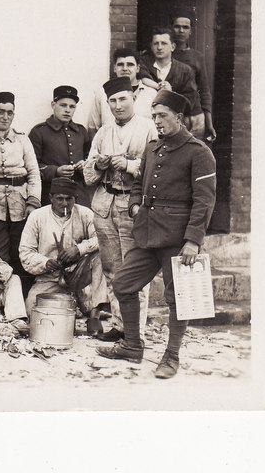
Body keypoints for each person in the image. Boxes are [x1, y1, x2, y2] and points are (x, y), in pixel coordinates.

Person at [97, 90, 216, 379]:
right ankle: (133, 345)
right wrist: (135, 204)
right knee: (124, 283)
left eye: (163, 116)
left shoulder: (198, 152)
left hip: (177, 238)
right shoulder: (152, 148)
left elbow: (205, 200)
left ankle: (171, 356)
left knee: (179, 299)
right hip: (148, 233)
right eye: (154, 116)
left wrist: (193, 240)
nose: (158, 122)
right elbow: (141, 181)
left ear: (179, 117)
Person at [84, 77, 159, 342]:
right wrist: (100, 165)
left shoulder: (149, 128)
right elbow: (88, 175)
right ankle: (119, 325)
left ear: (134, 99)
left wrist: (127, 164)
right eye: (112, 101)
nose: (118, 106)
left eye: (123, 99)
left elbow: (157, 170)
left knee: (134, 270)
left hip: (133, 206)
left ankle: (134, 332)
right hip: (104, 206)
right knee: (112, 270)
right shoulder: (103, 132)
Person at [19, 177, 108, 337]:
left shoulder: (85, 214)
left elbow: (102, 239)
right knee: (33, 311)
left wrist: (78, 249)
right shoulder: (37, 217)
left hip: (79, 276)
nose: (64, 204)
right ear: (50, 198)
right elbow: (25, 253)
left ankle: (94, 315)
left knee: (102, 255)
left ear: (76, 199)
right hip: (49, 278)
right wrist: (46, 263)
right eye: (59, 199)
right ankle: (76, 307)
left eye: (69, 199)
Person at [0, 91, 41, 297]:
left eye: (10, 113)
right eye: (0, 112)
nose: (5, 117)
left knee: (22, 250)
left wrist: (33, 202)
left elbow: (34, 173)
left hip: (20, 204)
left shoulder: (22, 140)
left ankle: (23, 298)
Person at [28, 85, 92, 207]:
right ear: (53, 105)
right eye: (63, 105)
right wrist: (56, 171)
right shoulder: (39, 132)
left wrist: (85, 164)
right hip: (52, 195)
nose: (68, 110)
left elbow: (90, 157)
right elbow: (32, 167)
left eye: (72, 107)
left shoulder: (81, 131)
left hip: (79, 195)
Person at [137, 28, 202, 135]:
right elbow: (142, 77)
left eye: (164, 43)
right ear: (151, 46)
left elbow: (190, 100)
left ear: (173, 46)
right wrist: (159, 87)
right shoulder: (144, 65)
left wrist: (172, 95)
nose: (159, 47)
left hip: (175, 125)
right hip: (148, 123)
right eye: (156, 43)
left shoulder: (185, 70)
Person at [86, 48, 157, 135]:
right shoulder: (102, 93)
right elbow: (92, 127)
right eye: (120, 65)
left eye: (130, 64)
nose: (125, 68)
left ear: (138, 68)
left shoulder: (151, 94)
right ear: (114, 68)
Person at [171, 16, 217, 142]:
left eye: (185, 27)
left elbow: (204, 89)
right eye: (177, 26)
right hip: (172, 115)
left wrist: (209, 122)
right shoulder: (164, 54)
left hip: (195, 116)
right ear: (171, 29)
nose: (181, 31)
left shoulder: (197, 57)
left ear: (191, 31)